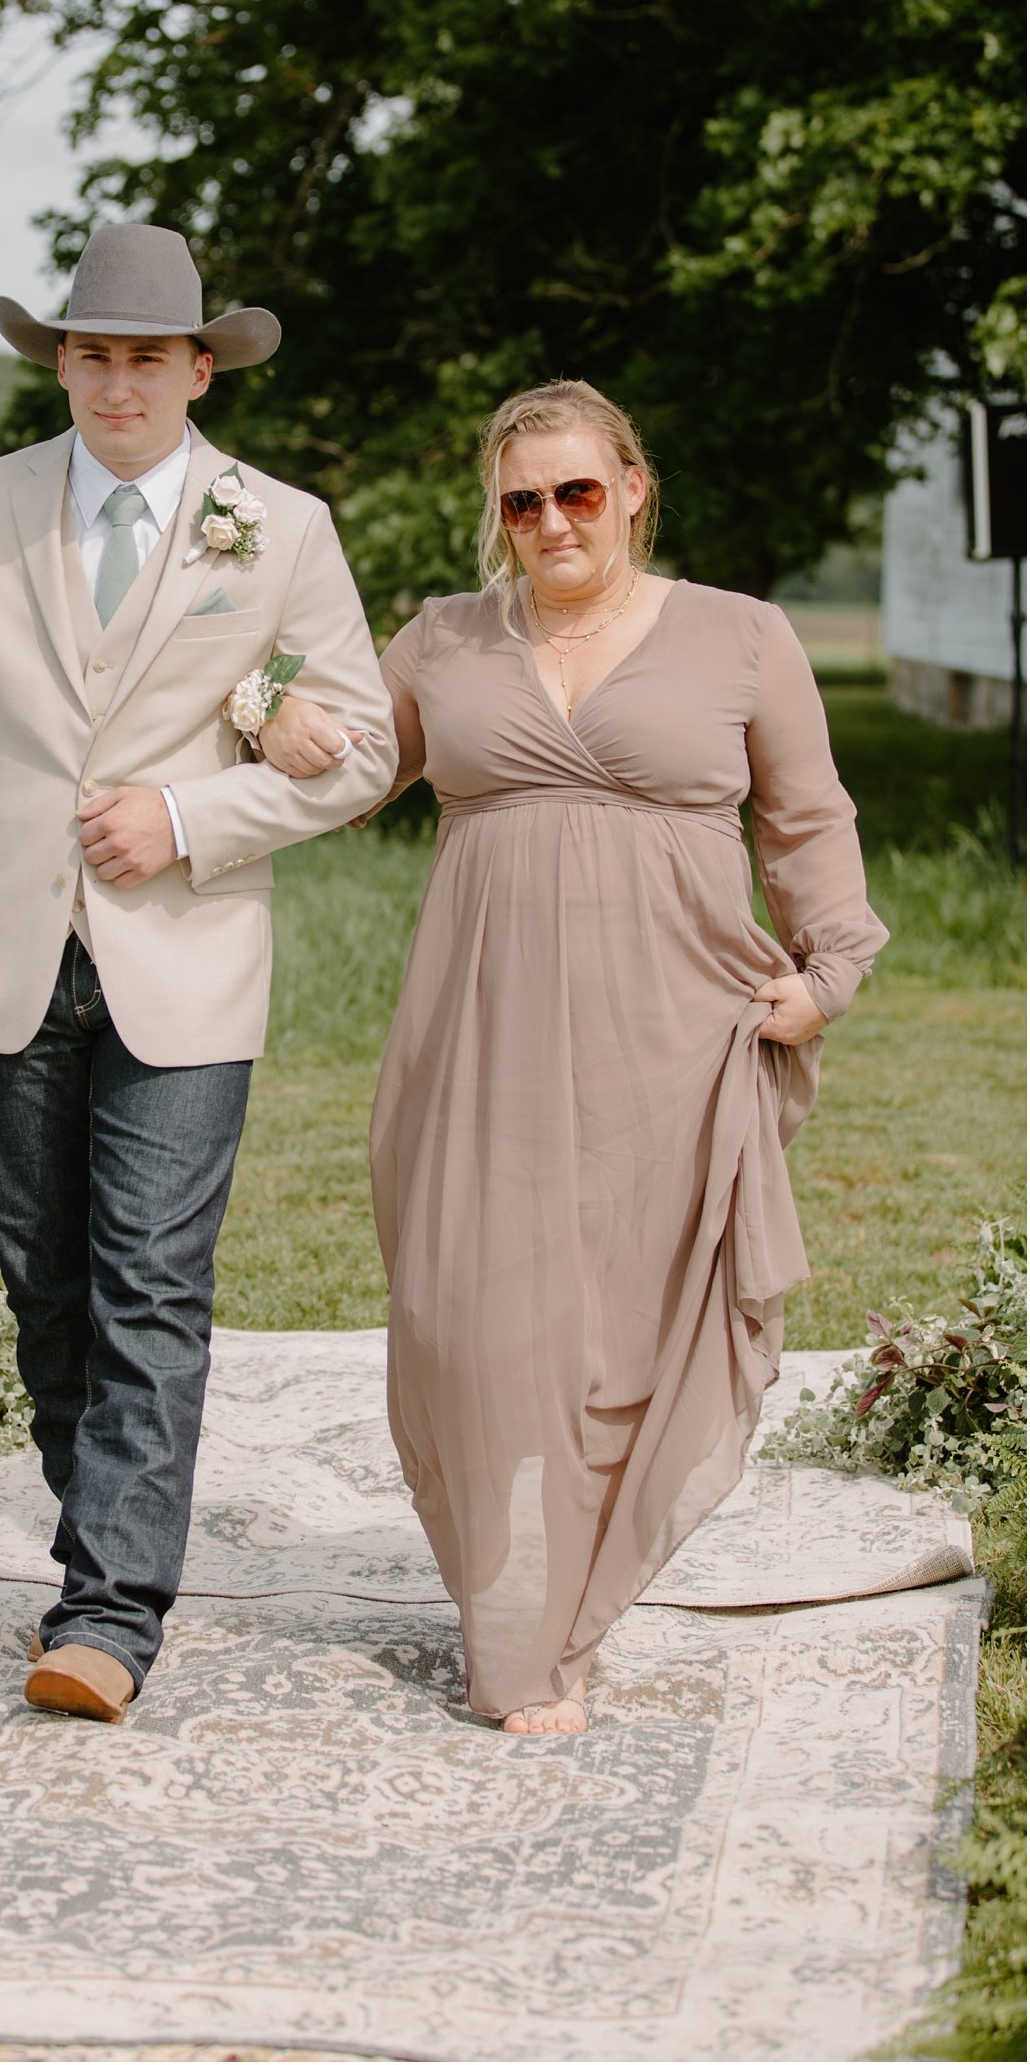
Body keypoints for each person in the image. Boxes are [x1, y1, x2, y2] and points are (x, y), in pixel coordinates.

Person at [265, 378, 887, 1734]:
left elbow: (805, 820)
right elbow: (341, 770)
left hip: (674, 1031)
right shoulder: (441, 641)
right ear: (500, 513)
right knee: (471, 1318)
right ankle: (514, 1621)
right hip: (480, 1032)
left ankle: (567, 1619)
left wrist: (828, 972)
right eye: (523, 500)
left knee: (625, 1326)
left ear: (633, 489)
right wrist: (265, 707)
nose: (552, 520)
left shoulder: (743, 636)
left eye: (578, 492)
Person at [0, 223, 396, 1723]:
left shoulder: (278, 527)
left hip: (190, 959)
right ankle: (99, 1529)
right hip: (4, 953)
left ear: (197, 370)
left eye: (146, 356)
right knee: (47, 1289)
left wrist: (189, 814)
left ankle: (109, 1612)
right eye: (90, 352)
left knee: (151, 1282)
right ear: (63, 362)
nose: (117, 381)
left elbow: (357, 743)